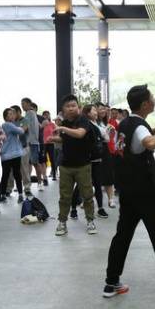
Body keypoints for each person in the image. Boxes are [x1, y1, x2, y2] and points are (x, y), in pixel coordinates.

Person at [104, 84, 155, 298]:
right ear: (145, 104)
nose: (154, 100)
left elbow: (137, 139)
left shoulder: (125, 123)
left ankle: (111, 282)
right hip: (146, 192)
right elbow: (149, 143)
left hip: (128, 190)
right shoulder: (139, 127)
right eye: (152, 97)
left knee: (123, 235)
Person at [49, 95, 97, 236]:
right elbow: (66, 139)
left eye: (73, 105)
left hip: (83, 165)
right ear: (63, 109)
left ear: (78, 107)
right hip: (65, 166)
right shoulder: (65, 122)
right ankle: (62, 222)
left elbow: (80, 134)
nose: (71, 108)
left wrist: (62, 128)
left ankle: (90, 221)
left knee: (87, 195)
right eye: (68, 106)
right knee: (65, 196)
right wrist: (54, 139)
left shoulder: (83, 120)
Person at [0, 107, 26, 203]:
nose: (12, 115)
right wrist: (21, 127)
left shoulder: (8, 125)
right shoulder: (7, 125)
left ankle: (4, 194)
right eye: (10, 114)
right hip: (11, 154)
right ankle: (19, 194)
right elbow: (21, 131)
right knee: (15, 174)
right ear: (5, 117)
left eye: (13, 114)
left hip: (9, 154)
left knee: (7, 174)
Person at [21, 98, 47, 191]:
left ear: (29, 104)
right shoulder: (33, 114)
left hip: (31, 143)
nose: (22, 105)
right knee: (31, 164)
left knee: (34, 163)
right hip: (33, 142)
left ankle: (38, 183)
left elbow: (25, 127)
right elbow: (38, 126)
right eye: (21, 104)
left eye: (23, 103)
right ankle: (32, 183)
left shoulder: (29, 113)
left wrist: (18, 131)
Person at [97, 104, 116, 208]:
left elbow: (109, 138)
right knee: (93, 177)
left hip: (105, 150)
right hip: (94, 151)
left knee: (108, 175)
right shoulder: (91, 123)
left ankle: (111, 199)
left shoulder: (107, 123)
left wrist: (110, 132)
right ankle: (86, 199)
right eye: (100, 109)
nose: (103, 111)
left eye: (104, 109)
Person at [42, 110, 59, 181]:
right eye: (45, 115)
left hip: (51, 144)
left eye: (47, 114)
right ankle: (44, 176)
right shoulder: (42, 125)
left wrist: (54, 138)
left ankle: (54, 174)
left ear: (49, 115)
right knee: (44, 160)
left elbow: (57, 132)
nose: (46, 116)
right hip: (44, 144)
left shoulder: (52, 124)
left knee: (52, 159)